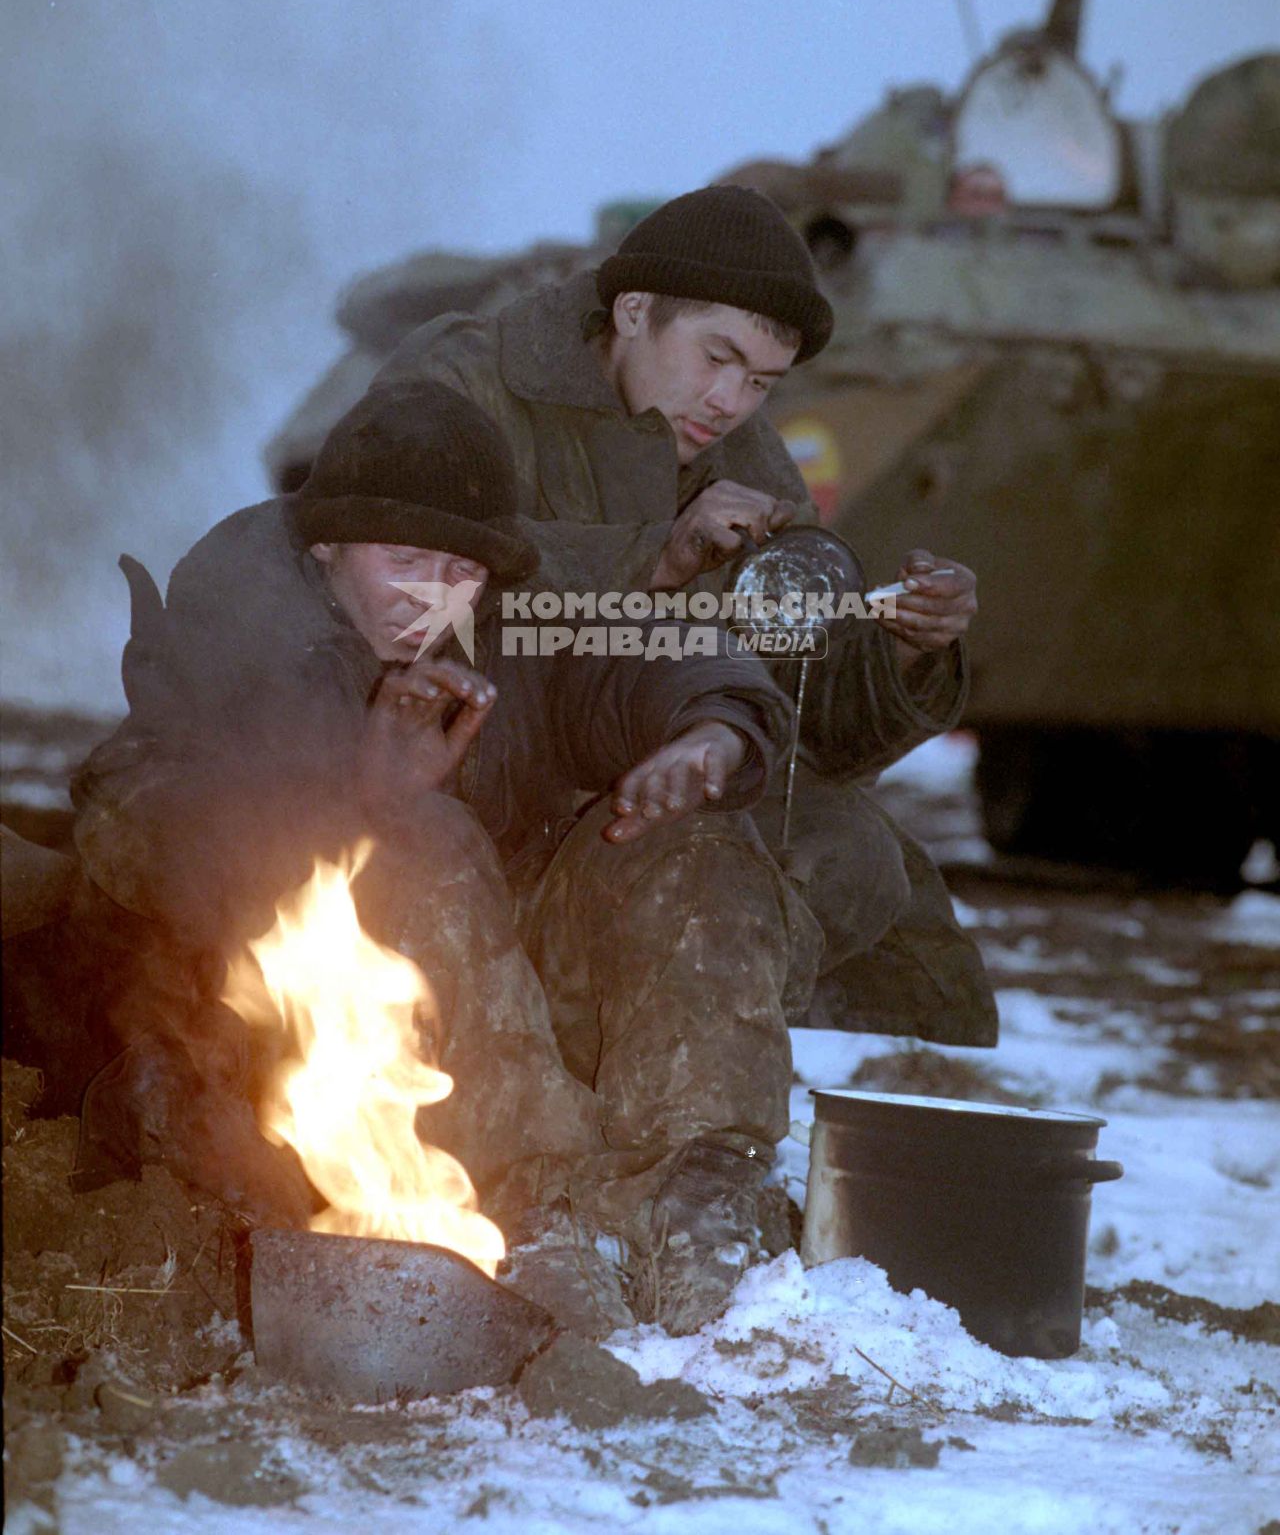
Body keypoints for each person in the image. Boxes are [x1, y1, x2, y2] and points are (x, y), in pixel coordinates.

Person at [59, 382, 814, 1333]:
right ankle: (536, 1217)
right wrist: (352, 800)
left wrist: (715, 730)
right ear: (327, 546)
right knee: (419, 837)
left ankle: (701, 1196)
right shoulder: (234, 643)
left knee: (698, 840)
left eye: (458, 567)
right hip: (280, 1055)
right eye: (403, 558)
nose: (431, 591)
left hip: (502, 1016)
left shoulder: (499, 628)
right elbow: (133, 831)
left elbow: (647, 656)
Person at [365, 184, 996, 1047]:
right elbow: (390, 582)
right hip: (457, 765)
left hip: (637, 784)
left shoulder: (744, 456)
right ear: (633, 311)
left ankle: (676, 1045)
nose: (730, 400)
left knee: (853, 850)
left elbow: (807, 720)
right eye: (716, 357)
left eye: (761, 381)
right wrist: (654, 558)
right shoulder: (465, 378)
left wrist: (903, 645)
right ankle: (542, 1040)